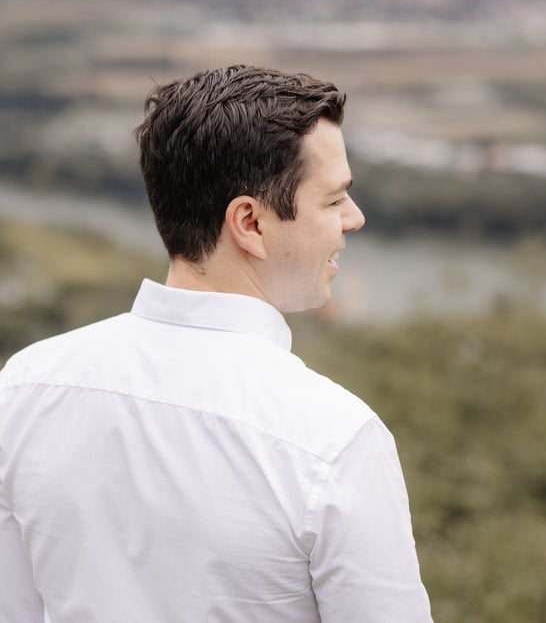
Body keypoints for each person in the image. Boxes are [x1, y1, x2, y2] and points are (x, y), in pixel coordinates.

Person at [0, 65, 433, 622]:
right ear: (250, 223)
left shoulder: (25, 386)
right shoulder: (334, 438)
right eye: (333, 201)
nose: (355, 218)